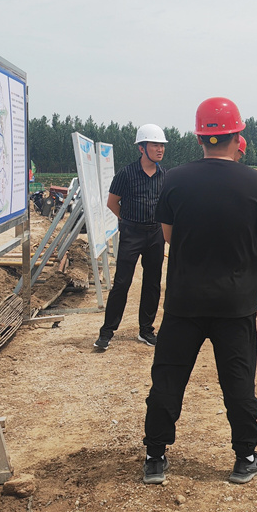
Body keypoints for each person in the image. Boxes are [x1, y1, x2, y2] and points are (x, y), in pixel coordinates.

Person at [141, 97, 257, 485]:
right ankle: (244, 457)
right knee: (238, 380)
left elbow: (169, 235)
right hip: (236, 302)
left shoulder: (174, 179)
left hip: (184, 299)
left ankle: (155, 457)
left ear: (200, 137)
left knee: (169, 377)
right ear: (238, 137)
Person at [94, 124, 167, 350]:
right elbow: (112, 202)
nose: (160, 149)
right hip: (131, 234)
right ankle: (106, 332)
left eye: (162, 145)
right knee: (122, 283)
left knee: (152, 283)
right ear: (141, 148)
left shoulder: (165, 176)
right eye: (155, 145)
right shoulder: (126, 174)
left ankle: (146, 330)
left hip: (155, 234)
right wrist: (127, 221)